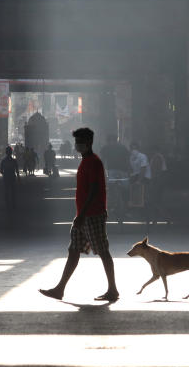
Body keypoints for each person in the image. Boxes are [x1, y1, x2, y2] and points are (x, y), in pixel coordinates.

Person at [39, 127, 119, 302]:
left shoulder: (93, 162)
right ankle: (60, 289)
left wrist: (81, 214)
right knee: (73, 250)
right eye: (76, 141)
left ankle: (113, 290)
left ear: (89, 142)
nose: (77, 145)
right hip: (84, 214)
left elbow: (94, 190)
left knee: (103, 251)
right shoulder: (86, 161)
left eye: (80, 141)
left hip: (92, 214)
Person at [129, 141, 152, 222]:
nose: (133, 150)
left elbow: (143, 169)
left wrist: (139, 181)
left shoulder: (142, 156)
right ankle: (132, 208)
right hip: (135, 175)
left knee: (143, 195)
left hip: (145, 176)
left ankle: (144, 212)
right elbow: (132, 169)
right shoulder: (131, 157)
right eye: (132, 148)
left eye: (135, 148)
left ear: (138, 149)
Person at [149, 145, 168, 222]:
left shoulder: (157, 157)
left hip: (157, 180)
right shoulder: (159, 157)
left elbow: (156, 170)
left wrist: (153, 180)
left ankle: (164, 216)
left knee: (155, 199)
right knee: (157, 200)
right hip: (158, 180)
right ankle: (160, 216)